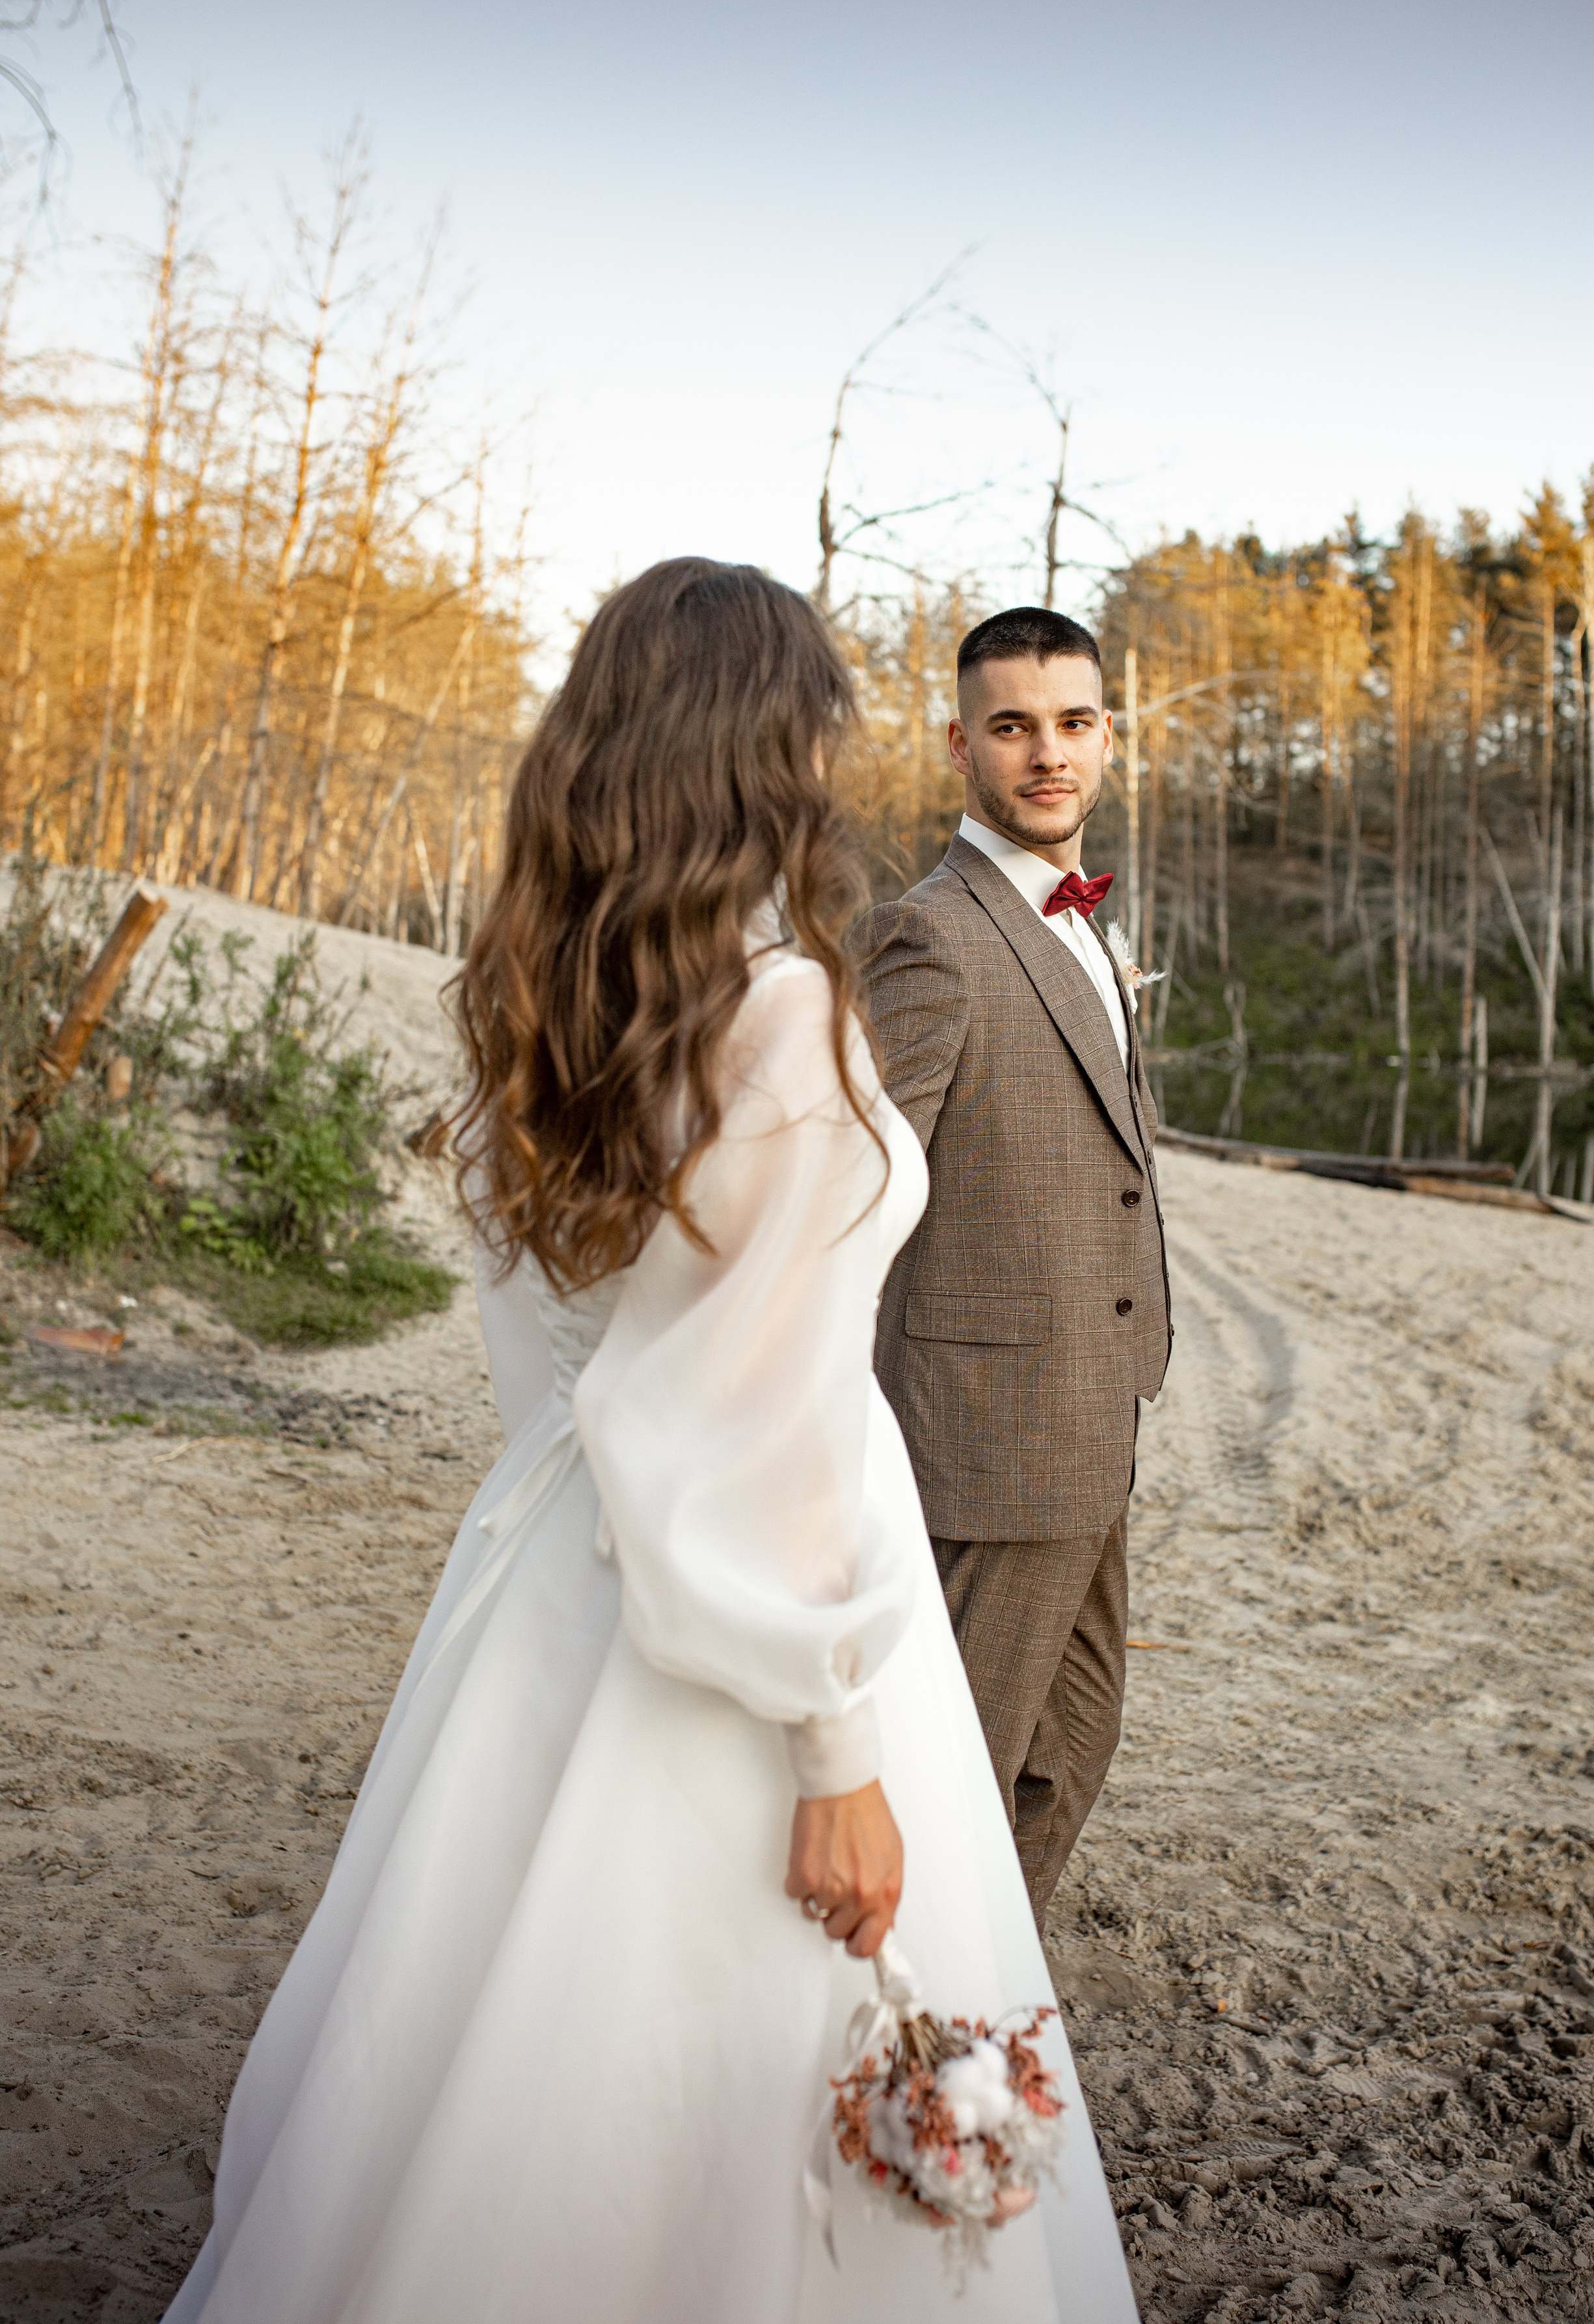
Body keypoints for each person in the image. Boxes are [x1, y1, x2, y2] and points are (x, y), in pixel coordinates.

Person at [162, 563, 1137, 2324]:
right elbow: (747, 1417)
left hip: (549, 1570)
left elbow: (553, 1363)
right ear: (771, 753)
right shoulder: (777, 1022)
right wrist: (839, 1750)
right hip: (758, 1619)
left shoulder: (548, 1008)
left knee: (488, 2047)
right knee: (754, 2083)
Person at [859, 605, 1171, 1928]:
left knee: (1070, 1750)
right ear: (958, 744)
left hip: (1094, 1419)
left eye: (1072, 723)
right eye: (1011, 727)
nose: (1047, 754)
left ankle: (982, 1999)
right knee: (956, 1780)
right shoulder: (930, 937)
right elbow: (851, 1199)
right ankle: (900, 2055)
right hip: (985, 1440)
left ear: (1107, 735)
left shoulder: (1082, 924)